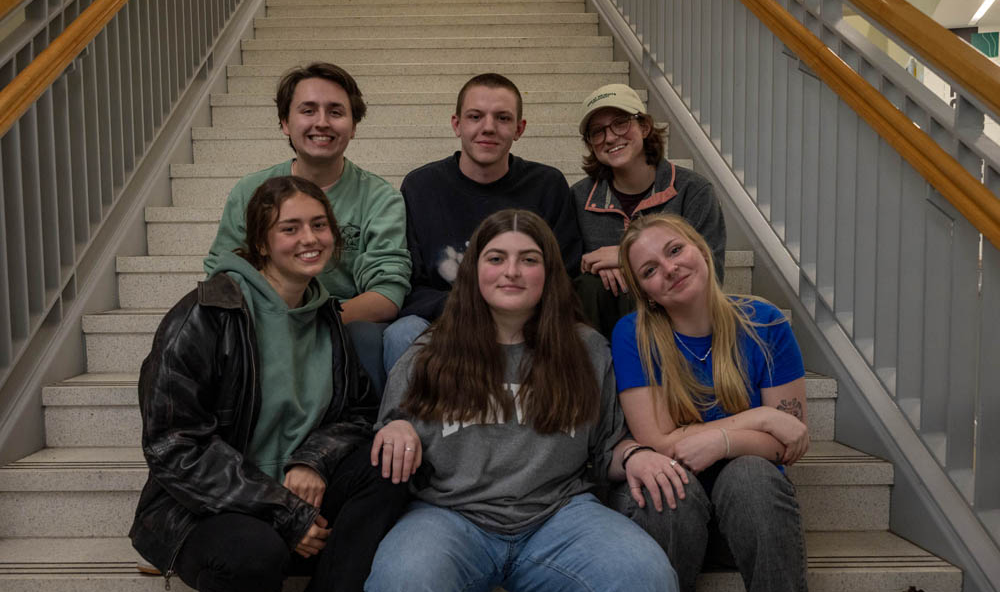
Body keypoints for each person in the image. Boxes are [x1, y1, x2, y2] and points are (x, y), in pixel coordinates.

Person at [358, 209, 681, 592]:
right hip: (448, 517)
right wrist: (395, 429)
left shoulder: (587, 349)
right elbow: (391, 429)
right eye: (495, 259)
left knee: (644, 574)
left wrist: (638, 455)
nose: (511, 271)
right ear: (474, 272)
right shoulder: (428, 353)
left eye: (529, 260)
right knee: (400, 582)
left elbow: (609, 446)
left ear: (549, 273)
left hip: (558, 517)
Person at [131, 176, 409, 592]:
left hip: (299, 498)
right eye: (290, 228)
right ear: (260, 242)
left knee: (389, 468)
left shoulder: (327, 316)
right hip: (208, 506)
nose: (309, 239)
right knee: (250, 556)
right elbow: (174, 446)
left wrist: (312, 459)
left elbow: (360, 412)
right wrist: (284, 511)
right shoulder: (206, 314)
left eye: (319, 225)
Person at [608, 213, 811, 592]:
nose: (669, 269)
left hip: (753, 513)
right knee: (665, 488)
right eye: (649, 271)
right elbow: (660, 444)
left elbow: (788, 443)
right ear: (646, 293)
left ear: (701, 248)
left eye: (675, 250)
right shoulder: (634, 335)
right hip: (675, 521)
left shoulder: (764, 323)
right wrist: (760, 418)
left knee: (753, 476)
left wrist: (718, 440)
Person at [204, 62, 410, 395]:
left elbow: (386, 295)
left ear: (354, 126)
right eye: (308, 110)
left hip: (340, 327)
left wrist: (305, 319)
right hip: (262, 323)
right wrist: (273, 320)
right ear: (285, 122)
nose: (322, 122)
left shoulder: (379, 197)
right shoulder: (251, 191)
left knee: (369, 337)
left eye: (336, 112)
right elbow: (223, 276)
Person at [383, 72, 582, 370]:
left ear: (519, 128)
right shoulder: (421, 186)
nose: (488, 127)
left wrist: (512, 312)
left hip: (524, 318)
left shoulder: (547, 185)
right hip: (447, 319)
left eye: (502, 118)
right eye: (475, 116)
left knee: (584, 338)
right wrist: (473, 308)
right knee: (401, 332)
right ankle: (409, 417)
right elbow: (411, 283)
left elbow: (564, 274)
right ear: (457, 124)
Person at [573, 83, 726, 338]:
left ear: (644, 127)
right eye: (597, 131)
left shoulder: (693, 191)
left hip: (675, 324)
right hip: (603, 330)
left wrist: (627, 259)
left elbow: (711, 276)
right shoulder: (579, 197)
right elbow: (570, 277)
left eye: (621, 122)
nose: (610, 137)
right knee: (590, 285)